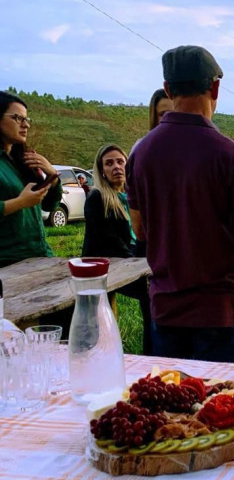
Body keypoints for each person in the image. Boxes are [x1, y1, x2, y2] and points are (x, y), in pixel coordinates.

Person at [127, 45, 234, 362]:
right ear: (215, 88)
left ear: (168, 89)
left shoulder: (140, 154)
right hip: (219, 310)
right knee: (218, 394)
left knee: (173, 393)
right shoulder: (233, 156)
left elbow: (140, 231)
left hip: (165, 307)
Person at [82, 144, 152, 354]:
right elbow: (109, 240)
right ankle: (152, 352)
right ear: (102, 170)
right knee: (151, 295)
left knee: (155, 291)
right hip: (107, 267)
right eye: (109, 163)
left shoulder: (133, 196)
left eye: (120, 162)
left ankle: (154, 350)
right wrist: (136, 264)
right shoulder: (97, 197)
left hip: (132, 261)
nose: (116, 167)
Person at [0, 91, 63, 268]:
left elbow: (49, 206)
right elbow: (23, 202)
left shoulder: (23, 160)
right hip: (8, 262)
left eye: (27, 119)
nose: (26, 125)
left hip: (41, 255)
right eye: (17, 118)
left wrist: (52, 177)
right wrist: (20, 202)